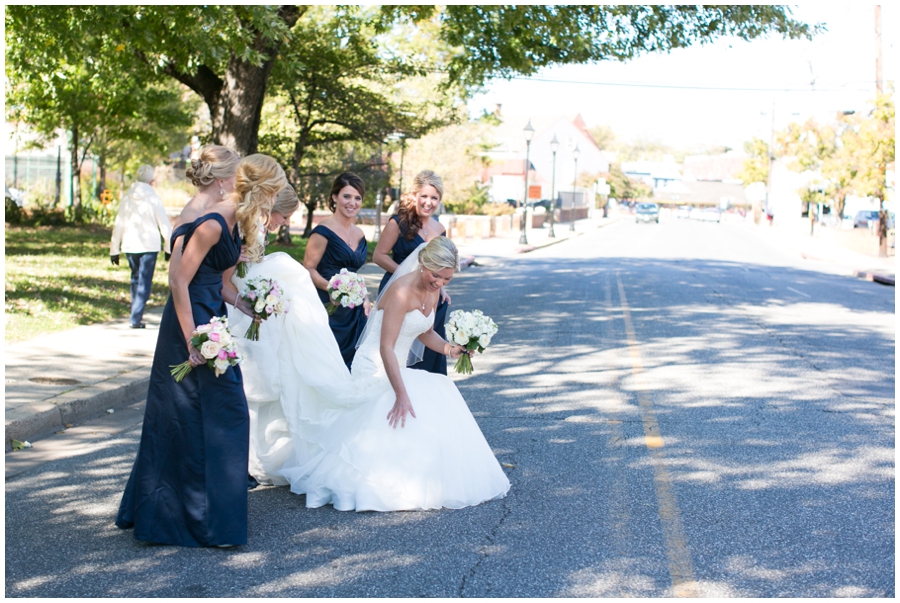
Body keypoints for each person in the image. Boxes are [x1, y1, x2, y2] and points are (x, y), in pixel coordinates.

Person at [115, 154, 286, 548]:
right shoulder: (210, 223)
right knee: (205, 413)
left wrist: (246, 304)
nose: (272, 204)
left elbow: (218, 282)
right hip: (190, 323)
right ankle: (199, 520)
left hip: (214, 319)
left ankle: (199, 516)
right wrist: (194, 338)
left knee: (200, 415)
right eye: (272, 193)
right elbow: (178, 280)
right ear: (260, 191)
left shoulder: (231, 221)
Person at [223, 183, 300, 487]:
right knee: (246, 381)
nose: (286, 222)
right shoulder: (246, 223)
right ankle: (240, 459)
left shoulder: (258, 224)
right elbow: (227, 272)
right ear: (274, 208)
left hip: (253, 303)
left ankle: (253, 455)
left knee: (262, 380)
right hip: (238, 302)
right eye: (286, 216)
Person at [373, 169, 451, 374]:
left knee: (429, 344)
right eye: (424, 196)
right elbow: (379, 256)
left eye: (434, 198)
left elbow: (441, 265)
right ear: (414, 195)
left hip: (429, 293)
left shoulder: (440, 229)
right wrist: (406, 275)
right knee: (397, 343)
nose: (428, 202)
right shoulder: (398, 222)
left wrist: (440, 287)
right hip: (398, 289)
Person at [303, 173, 370, 369]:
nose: (352, 203)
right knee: (329, 363)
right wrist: (331, 288)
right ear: (334, 197)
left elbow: (355, 273)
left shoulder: (359, 233)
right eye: (346, 196)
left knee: (354, 364)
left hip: (353, 310)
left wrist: (363, 294)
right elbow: (308, 269)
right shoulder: (323, 231)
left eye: (357, 198)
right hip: (327, 306)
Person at [109, 165, 173, 329]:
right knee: (144, 281)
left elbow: (119, 224)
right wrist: (168, 247)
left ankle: (135, 314)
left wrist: (114, 250)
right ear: (151, 181)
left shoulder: (127, 198)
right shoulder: (154, 199)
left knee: (135, 279)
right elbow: (164, 225)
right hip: (149, 246)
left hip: (130, 245)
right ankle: (135, 317)